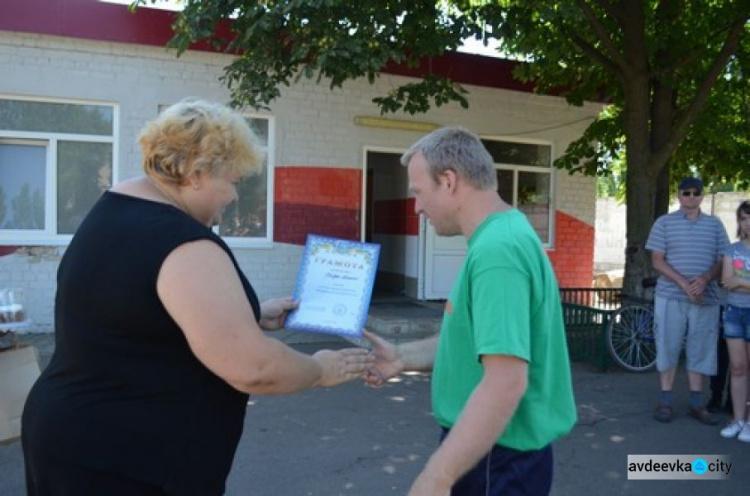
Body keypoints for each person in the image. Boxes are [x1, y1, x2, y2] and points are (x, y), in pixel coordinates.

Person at [21, 98, 373, 495]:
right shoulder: (182, 242)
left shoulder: (115, 210)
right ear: (197, 174)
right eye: (234, 181)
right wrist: (321, 369)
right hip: (127, 461)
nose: (234, 196)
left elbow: (137, 310)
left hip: (73, 438)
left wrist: (252, 313)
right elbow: (254, 367)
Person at [363, 127, 576, 496]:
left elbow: (505, 382)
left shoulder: (498, 252)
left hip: (497, 460)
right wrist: (401, 356)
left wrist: (436, 477)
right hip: (493, 453)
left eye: (418, 192)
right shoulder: (500, 236)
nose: (416, 207)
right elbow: (472, 341)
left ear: (448, 181)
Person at [645, 177, 729, 425]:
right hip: (671, 296)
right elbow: (657, 260)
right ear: (679, 196)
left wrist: (704, 279)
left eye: (695, 193)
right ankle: (666, 400)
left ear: (702, 196)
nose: (691, 197)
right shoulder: (664, 223)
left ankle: (696, 403)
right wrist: (684, 284)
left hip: (707, 297)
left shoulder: (715, 225)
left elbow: (723, 258)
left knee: (701, 348)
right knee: (667, 344)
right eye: (686, 193)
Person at [718, 200, 750, 442]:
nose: (748, 223)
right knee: (737, 368)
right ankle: (738, 419)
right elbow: (726, 279)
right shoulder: (732, 249)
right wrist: (738, 282)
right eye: (744, 218)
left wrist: (740, 282)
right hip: (733, 313)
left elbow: (734, 281)